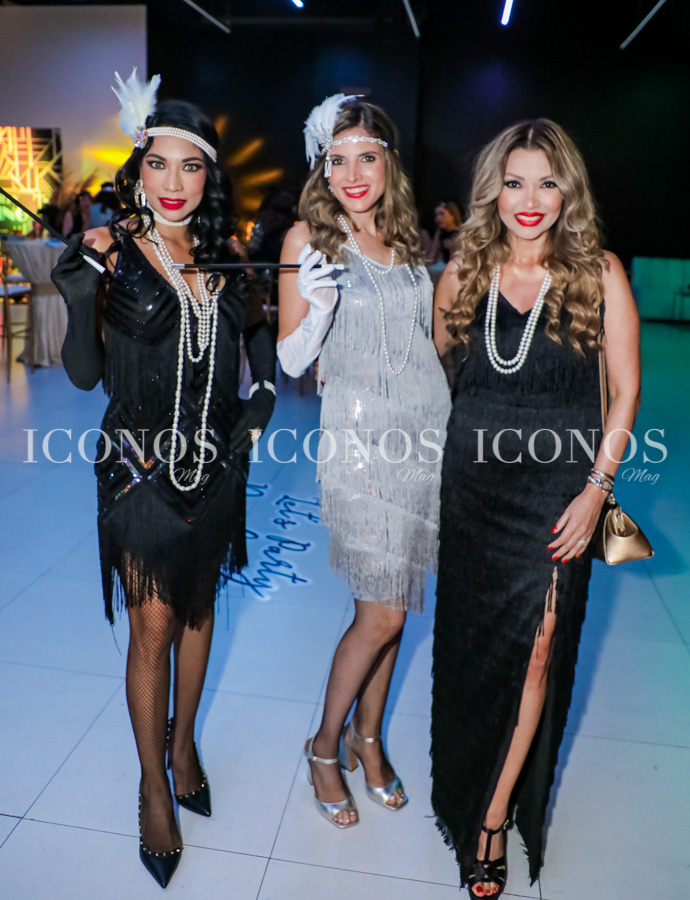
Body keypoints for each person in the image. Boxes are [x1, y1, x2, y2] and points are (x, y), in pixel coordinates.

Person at [50, 70, 276, 888]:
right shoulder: (111, 249)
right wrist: (78, 293)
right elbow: (84, 375)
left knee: (199, 609)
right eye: (159, 163)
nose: (174, 182)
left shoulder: (225, 256)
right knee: (152, 624)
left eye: (191, 166)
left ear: (209, 176)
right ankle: (153, 787)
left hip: (215, 467)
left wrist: (263, 402)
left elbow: (259, 344)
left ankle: (183, 746)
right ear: (138, 167)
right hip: (136, 469)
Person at [430, 119, 640, 897]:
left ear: (567, 192)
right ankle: (470, 773)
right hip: (474, 490)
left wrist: (596, 490)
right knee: (476, 646)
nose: (529, 198)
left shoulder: (598, 273)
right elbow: (446, 374)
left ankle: (491, 820)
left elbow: (626, 392)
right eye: (514, 182)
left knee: (541, 645)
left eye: (546, 183)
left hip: (560, 492)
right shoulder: (465, 271)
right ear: (494, 190)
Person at [277, 94, 450, 828]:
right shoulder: (308, 239)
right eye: (337, 159)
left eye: (366, 158)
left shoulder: (407, 239)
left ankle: (368, 738)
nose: (352, 174)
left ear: (389, 163)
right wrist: (317, 308)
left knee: (398, 604)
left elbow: (429, 346)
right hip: (358, 446)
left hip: (424, 440)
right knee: (380, 614)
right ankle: (325, 745)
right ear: (322, 167)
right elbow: (291, 360)